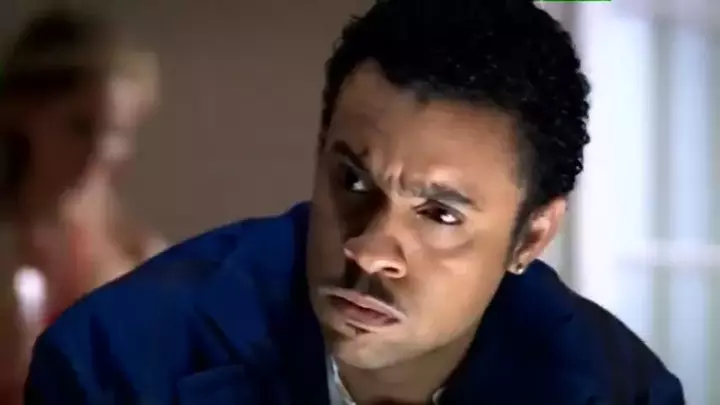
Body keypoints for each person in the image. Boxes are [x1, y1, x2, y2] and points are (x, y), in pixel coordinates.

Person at [25, 1, 684, 404]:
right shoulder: (113, 364)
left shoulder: (621, 391)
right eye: (353, 181)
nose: (367, 251)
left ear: (531, 237)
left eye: (440, 213)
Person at [0, 9, 166, 402]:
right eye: (79, 126)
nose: (100, 151)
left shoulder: (138, 255)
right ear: (22, 112)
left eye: (118, 132)